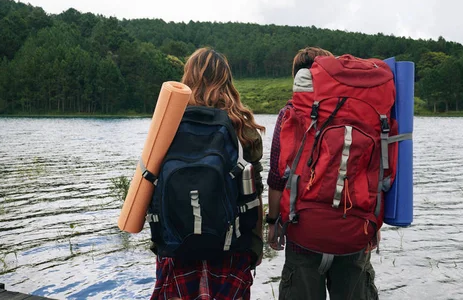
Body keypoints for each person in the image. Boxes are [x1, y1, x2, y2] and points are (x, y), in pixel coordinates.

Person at [150, 47, 266, 300]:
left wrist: (159, 243)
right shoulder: (244, 129)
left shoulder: (167, 126)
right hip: (231, 250)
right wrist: (256, 246)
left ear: (188, 77)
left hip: (177, 249)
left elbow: (150, 185)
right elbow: (255, 193)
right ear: (227, 80)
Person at [265, 46, 379, 300]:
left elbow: (277, 175)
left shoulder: (290, 113)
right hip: (354, 230)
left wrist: (272, 222)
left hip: (304, 230)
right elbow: (376, 174)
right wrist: (374, 223)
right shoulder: (363, 115)